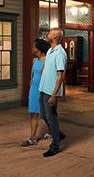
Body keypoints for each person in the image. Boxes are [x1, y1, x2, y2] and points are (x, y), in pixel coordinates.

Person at [39, 28, 67, 157]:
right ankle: (58, 134)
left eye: (49, 33)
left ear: (55, 36)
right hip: (43, 89)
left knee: (51, 117)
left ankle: (55, 146)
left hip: (51, 92)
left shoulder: (60, 53)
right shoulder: (50, 50)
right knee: (44, 115)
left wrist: (54, 95)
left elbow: (60, 77)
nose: (47, 35)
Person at [21, 39, 52, 146]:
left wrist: (45, 91)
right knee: (33, 114)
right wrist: (30, 90)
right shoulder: (35, 60)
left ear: (39, 48)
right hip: (34, 90)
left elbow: (48, 77)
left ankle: (50, 131)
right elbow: (33, 76)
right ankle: (32, 138)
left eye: (34, 46)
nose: (32, 48)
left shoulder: (47, 60)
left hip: (43, 90)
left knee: (46, 114)